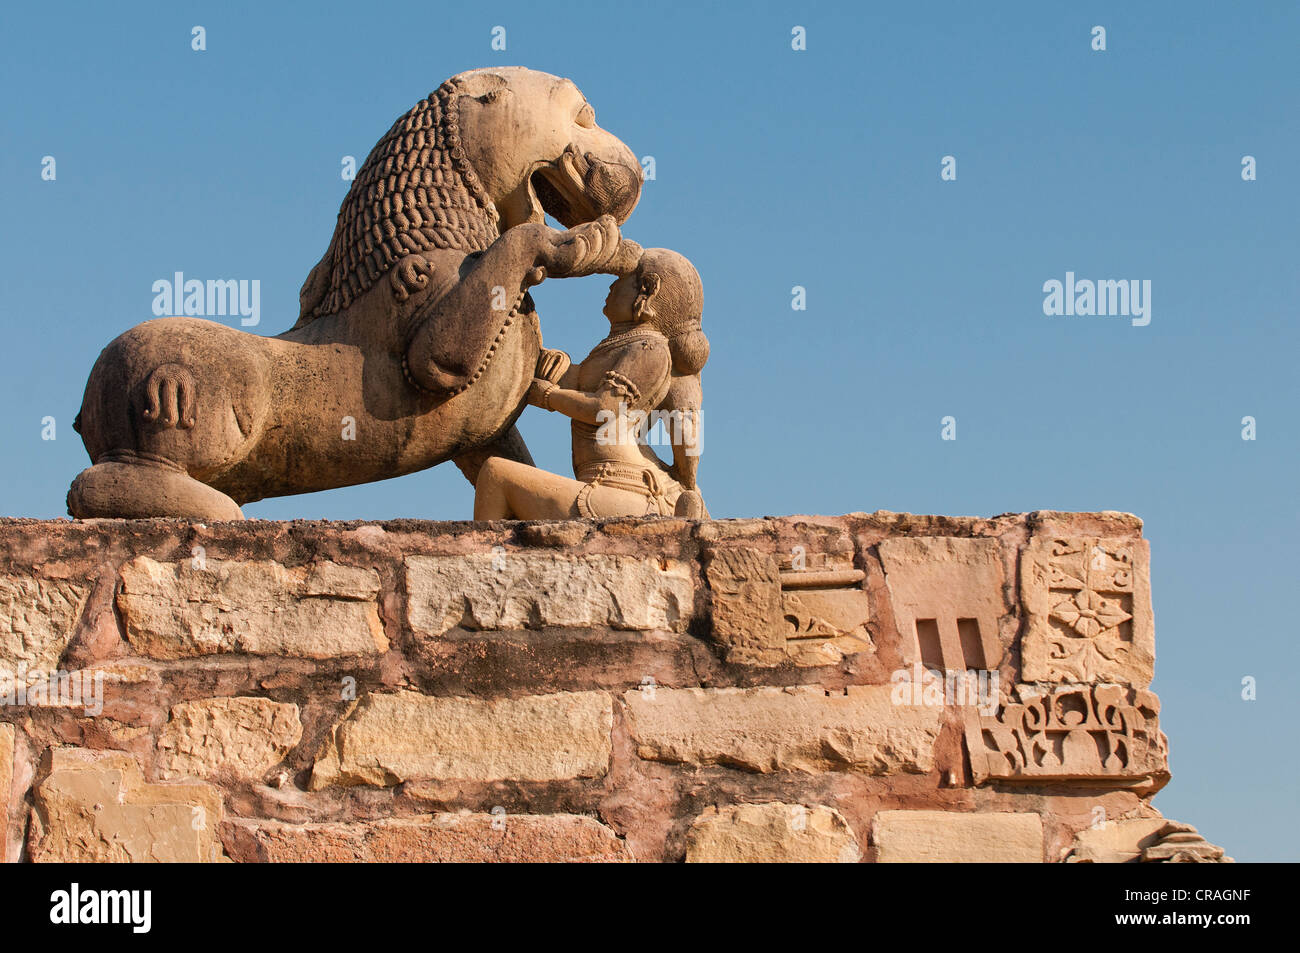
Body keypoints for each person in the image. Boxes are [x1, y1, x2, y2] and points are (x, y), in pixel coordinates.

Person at [473, 247, 708, 520]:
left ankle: (491, 561)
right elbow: (576, 381)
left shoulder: (649, 350)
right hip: (608, 483)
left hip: (625, 488)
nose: (611, 284)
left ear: (647, 291)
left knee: (495, 474)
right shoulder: (618, 347)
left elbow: (605, 407)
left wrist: (549, 397)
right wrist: (551, 360)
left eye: (622, 278)